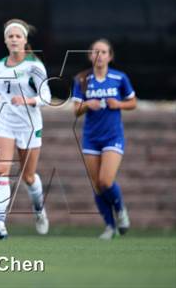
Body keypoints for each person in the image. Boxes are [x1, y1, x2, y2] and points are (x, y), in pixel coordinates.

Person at [0, 19, 51, 239]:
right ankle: (0, 224)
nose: (14, 39)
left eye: (18, 36)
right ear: (5, 40)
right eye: (10, 36)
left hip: (29, 125)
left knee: (28, 177)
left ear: (25, 40)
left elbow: (46, 96)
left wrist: (27, 101)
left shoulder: (34, 65)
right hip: (4, 123)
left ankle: (39, 209)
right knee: (1, 172)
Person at [72, 38, 136, 240]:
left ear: (110, 56)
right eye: (95, 52)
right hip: (91, 138)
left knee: (105, 180)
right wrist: (86, 105)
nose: (99, 56)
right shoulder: (82, 80)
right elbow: (76, 111)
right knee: (97, 185)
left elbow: (132, 102)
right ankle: (110, 226)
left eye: (103, 52)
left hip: (113, 136)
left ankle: (121, 210)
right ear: (90, 56)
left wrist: (119, 105)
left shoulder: (119, 78)